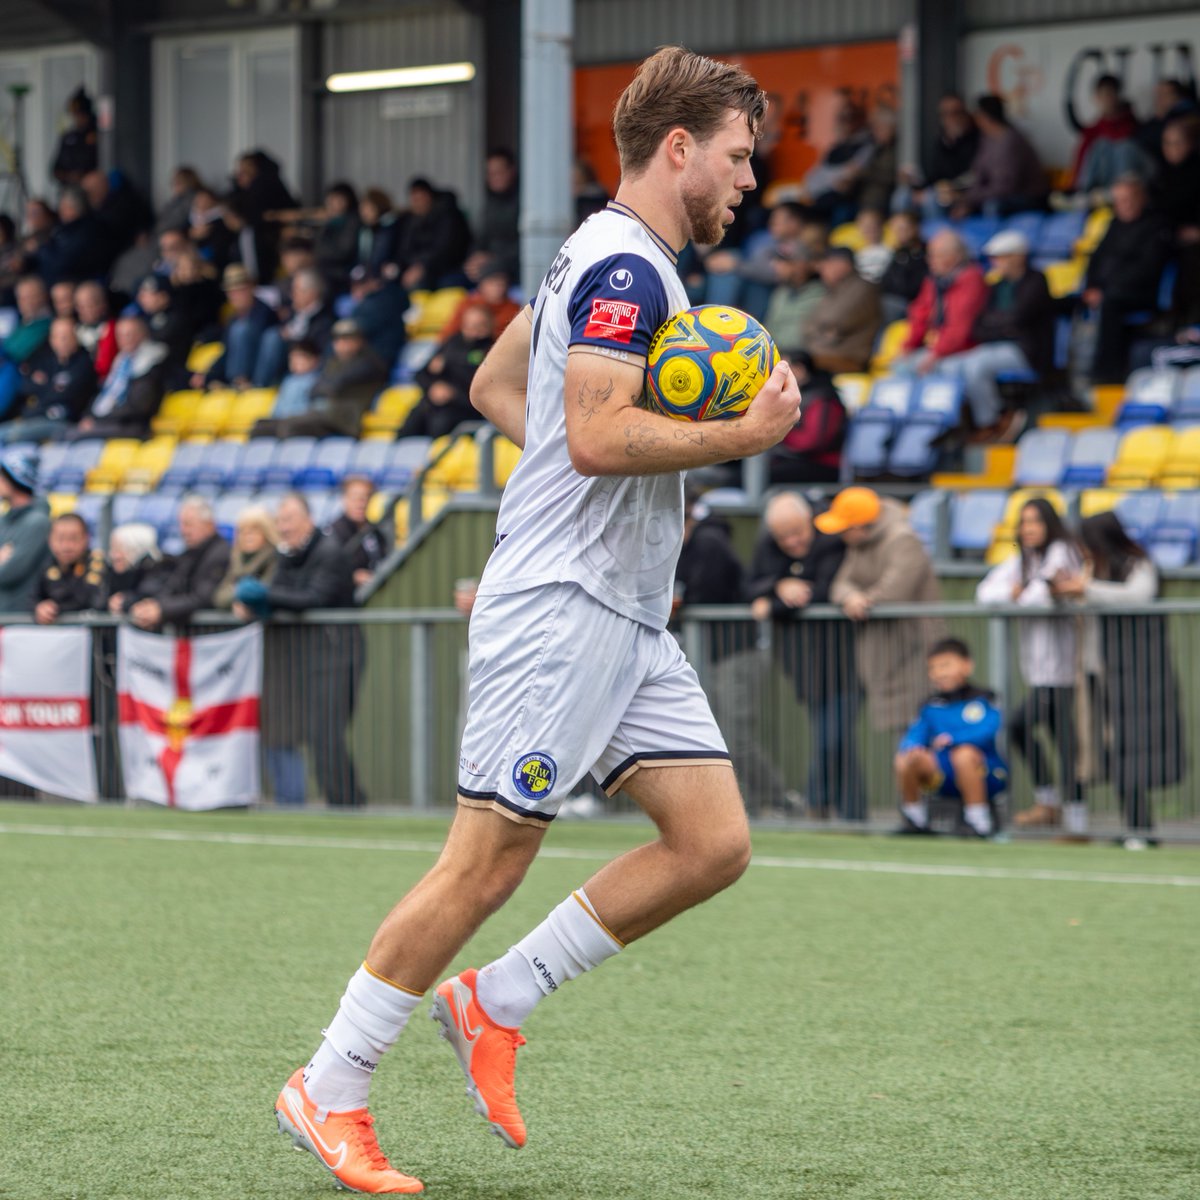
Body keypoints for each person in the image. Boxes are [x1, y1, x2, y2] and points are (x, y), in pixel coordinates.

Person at [273, 45, 799, 1195]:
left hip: (621, 614)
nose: (748, 179)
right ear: (678, 148)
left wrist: (578, 470)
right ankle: (329, 1083)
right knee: (483, 864)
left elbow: (497, 388)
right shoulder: (628, 271)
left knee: (711, 843)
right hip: (561, 606)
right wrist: (742, 437)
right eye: (736, 156)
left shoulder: (597, 252)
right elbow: (597, 437)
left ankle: (495, 1000)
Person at [1054, 512, 1182, 843]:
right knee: (1112, 749)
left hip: (1135, 676)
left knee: (1131, 747)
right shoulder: (1093, 569)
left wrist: (1085, 588)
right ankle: (1135, 825)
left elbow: (1138, 596)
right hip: (1097, 672)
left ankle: (1140, 829)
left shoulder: (1137, 564)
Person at [234, 493, 362, 808]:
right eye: (280, 521)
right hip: (309, 655)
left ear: (308, 520)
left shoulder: (330, 552)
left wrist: (265, 596)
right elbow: (284, 595)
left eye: (289, 520)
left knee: (326, 734)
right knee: (316, 735)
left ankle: (347, 804)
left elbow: (314, 598)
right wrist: (258, 606)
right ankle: (343, 802)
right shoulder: (289, 554)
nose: (283, 527)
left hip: (338, 653)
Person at [975, 498, 1088, 838]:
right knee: (1051, 737)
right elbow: (984, 593)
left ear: (1049, 523)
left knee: (1045, 735)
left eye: (1035, 521)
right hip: (1038, 671)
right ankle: (1054, 807)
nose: (1028, 529)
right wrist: (1014, 593)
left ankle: (1072, 818)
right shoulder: (1023, 559)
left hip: (1063, 669)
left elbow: (1034, 598)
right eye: (1024, 522)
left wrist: (1018, 594)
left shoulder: (1062, 551)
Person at [747, 492, 856, 819]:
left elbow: (820, 593)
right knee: (837, 741)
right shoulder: (767, 544)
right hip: (802, 663)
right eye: (784, 537)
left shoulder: (831, 539)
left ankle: (813, 804)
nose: (792, 542)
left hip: (844, 660)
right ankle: (854, 813)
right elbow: (751, 585)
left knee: (831, 738)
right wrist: (779, 585)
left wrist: (773, 603)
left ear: (809, 521)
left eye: (797, 532)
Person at [820, 487, 943, 744]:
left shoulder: (903, 540)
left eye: (844, 528)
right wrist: (851, 598)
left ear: (858, 526)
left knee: (921, 733)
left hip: (915, 648)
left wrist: (864, 600)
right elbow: (840, 585)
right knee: (903, 739)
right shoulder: (860, 544)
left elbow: (895, 591)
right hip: (886, 650)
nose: (841, 535)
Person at [929, 230, 1054, 436]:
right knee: (950, 365)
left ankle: (991, 421)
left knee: (976, 365)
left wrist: (998, 326)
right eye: (995, 258)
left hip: (1026, 351)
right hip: (994, 347)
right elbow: (980, 324)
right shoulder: (996, 286)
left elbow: (1018, 318)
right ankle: (959, 424)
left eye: (1002, 257)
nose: (996, 262)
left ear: (1018, 257)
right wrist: (1002, 327)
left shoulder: (1036, 281)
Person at [894, 637, 1007, 838]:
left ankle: (978, 822)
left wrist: (953, 739)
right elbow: (916, 732)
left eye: (945, 665)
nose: (939, 673)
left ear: (967, 665)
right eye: (933, 668)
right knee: (905, 759)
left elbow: (987, 730)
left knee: (964, 754)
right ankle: (914, 819)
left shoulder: (984, 698)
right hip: (943, 774)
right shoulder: (930, 705)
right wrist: (913, 745)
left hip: (986, 772)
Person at [1082, 173, 1174, 383]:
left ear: (1142, 198)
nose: (1125, 205)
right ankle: (1065, 375)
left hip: (1139, 293)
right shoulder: (1114, 224)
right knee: (1063, 303)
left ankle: (1107, 376)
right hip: (1106, 291)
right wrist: (1092, 286)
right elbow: (1096, 259)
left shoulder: (1156, 225)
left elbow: (1147, 269)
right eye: (1119, 200)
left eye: (1129, 199)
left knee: (1110, 303)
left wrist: (1105, 291)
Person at [253, 319, 387, 440]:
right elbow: (315, 390)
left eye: (347, 339)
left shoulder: (369, 363)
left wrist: (327, 387)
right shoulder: (333, 362)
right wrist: (326, 387)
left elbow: (335, 386)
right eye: (337, 340)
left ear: (359, 341)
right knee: (261, 427)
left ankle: (292, 460)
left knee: (291, 427)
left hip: (344, 420)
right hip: (322, 414)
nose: (341, 344)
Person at [122, 495, 230, 630]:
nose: (183, 531)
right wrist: (152, 606)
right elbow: (172, 586)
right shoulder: (189, 554)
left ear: (209, 524)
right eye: (181, 524)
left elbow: (202, 598)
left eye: (188, 524)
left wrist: (162, 609)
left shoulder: (220, 553)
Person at [893, 230, 989, 376]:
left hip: (966, 348)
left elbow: (959, 326)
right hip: (937, 346)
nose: (930, 261)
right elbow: (920, 315)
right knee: (900, 365)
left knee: (937, 369)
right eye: (930, 255)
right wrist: (909, 346)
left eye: (936, 256)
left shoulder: (971, 279)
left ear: (955, 257)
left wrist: (936, 354)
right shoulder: (933, 281)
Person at [398, 304, 494, 439]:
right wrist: (433, 387)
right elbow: (421, 374)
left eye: (479, 325)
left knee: (441, 423)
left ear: (489, 325)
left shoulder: (493, 350)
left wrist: (453, 393)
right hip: (433, 404)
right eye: (469, 325)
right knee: (411, 423)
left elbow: (485, 389)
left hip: (466, 409)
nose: (473, 330)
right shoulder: (452, 343)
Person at [70, 313, 168, 441]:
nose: (126, 340)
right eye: (121, 336)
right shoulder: (121, 360)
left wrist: (98, 420)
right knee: (69, 433)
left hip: (133, 425)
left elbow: (138, 406)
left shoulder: (152, 362)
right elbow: (105, 392)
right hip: (111, 421)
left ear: (143, 334)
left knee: (73, 436)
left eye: (130, 334)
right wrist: (89, 416)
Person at [0, 316, 96, 444]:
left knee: (4, 435)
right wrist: (49, 387)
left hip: (63, 423)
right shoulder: (47, 360)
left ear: (75, 338)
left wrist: (44, 385)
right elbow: (24, 386)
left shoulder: (83, 363)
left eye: (65, 337)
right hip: (35, 418)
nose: (61, 342)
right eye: (56, 336)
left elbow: (64, 397)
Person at [959, 95, 1047, 217]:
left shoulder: (1011, 140)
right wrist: (966, 200)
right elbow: (979, 173)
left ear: (984, 117)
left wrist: (971, 198)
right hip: (998, 195)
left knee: (992, 206)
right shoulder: (987, 139)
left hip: (1028, 197)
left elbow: (1006, 188)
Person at [767, 350, 847, 483]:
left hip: (820, 466)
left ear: (800, 369)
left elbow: (812, 442)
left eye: (783, 369)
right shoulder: (803, 394)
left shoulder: (823, 398)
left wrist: (776, 431)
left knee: (745, 477)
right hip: (794, 460)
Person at [198, 264, 279, 390]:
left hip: (259, 375)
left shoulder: (265, 313)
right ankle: (234, 382)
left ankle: (240, 381)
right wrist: (209, 376)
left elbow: (265, 350)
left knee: (241, 330)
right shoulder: (233, 319)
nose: (235, 296)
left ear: (251, 288)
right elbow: (228, 352)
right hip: (237, 377)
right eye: (231, 292)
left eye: (240, 290)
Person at [802, 246, 882, 373]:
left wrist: (822, 330)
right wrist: (823, 331)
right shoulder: (834, 289)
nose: (821, 268)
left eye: (827, 263)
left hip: (849, 357)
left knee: (797, 367)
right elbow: (809, 324)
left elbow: (837, 320)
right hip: (826, 352)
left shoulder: (862, 288)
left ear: (843, 265)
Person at [396, 177, 471, 291]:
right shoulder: (411, 220)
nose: (416, 203)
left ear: (428, 197)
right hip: (422, 268)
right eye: (413, 199)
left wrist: (422, 267)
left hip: (450, 269)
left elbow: (445, 250)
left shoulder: (448, 215)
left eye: (419, 199)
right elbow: (405, 250)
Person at [0, 447, 51, 613]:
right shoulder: (4, 520)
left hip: (21, 616)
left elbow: (9, 573)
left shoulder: (38, 522)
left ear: (15, 478)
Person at [32, 513, 105, 624]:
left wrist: (56, 607)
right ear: (50, 539)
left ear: (86, 538)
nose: (66, 546)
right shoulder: (46, 564)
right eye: (60, 539)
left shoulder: (97, 563)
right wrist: (39, 607)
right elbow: (32, 597)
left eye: (73, 539)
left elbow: (93, 602)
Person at [0, 276, 53, 420]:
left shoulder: (47, 325)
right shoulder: (22, 324)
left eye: (30, 297)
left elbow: (16, 353)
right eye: (22, 298)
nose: (25, 302)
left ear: (43, 296)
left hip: (23, 378)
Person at [465, 148, 520, 283]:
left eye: (499, 172)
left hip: (515, 269)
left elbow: (526, 245)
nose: (494, 178)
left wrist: (493, 258)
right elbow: (480, 239)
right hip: (490, 267)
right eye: (490, 173)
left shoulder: (525, 200)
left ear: (511, 171)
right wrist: (474, 258)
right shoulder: (490, 203)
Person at [213, 504, 278, 610]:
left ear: (266, 533)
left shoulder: (274, 559)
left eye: (254, 530)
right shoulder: (236, 560)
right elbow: (219, 598)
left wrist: (238, 593)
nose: (247, 535)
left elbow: (265, 594)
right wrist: (240, 596)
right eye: (243, 531)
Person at [326, 476, 387, 589]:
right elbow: (326, 569)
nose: (361, 503)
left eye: (365, 497)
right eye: (355, 498)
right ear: (344, 499)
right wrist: (351, 576)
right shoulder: (333, 533)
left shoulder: (377, 532)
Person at [347, 265, 408, 370]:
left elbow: (359, 329)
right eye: (355, 285)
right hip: (369, 358)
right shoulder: (365, 304)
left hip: (380, 359)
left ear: (375, 282)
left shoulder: (386, 300)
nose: (357, 289)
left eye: (363, 284)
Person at [439, 268, 522, 340]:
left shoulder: (514, 309)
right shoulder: (468, 304)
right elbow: (448, 333)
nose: (497, 288)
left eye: (500, 284)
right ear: (481, 284)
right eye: (491, 283)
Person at [878, 210, 927, 324]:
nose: (899, 233)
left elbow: (916, 287)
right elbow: (885, 281)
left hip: (911, 304)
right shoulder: (899, 253)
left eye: (903, 229)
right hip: (892, 300)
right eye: (897, 229)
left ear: (915, 228)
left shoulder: (926, 253)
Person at [105, 523, 162, 615]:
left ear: (134, 549)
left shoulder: (156, 571)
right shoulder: (112, 573)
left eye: (118, 549)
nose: (113, 555)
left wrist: (125, 601)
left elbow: (147, 595)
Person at [51, 88, 98, 186]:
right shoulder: (68, 137)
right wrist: (68, 176)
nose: (77, 118)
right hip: (69, 187)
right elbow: (55, 170)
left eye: (80, 114)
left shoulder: (97, 135)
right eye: (75, 114)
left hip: (89, 186)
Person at [74, 281, 117, 381]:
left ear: (103, 304)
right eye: (80, 306)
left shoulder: (114, 330)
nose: (84, 311)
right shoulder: (75, 330)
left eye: (89, 305)